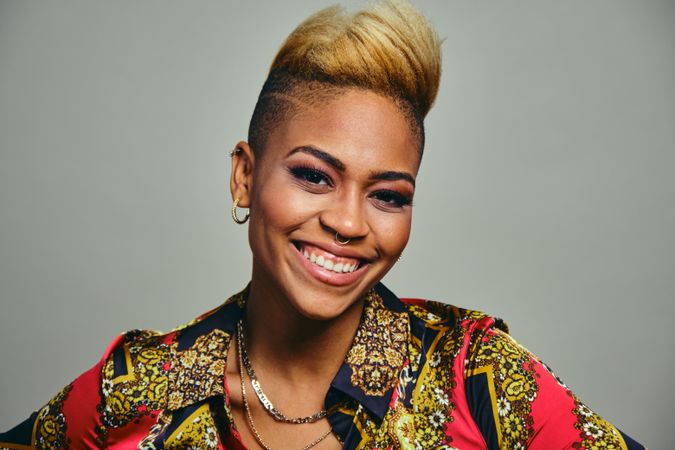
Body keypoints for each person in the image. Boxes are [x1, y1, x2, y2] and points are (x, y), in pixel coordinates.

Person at [0, 1, 645, 449]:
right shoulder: (144, 384)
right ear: (245, 177)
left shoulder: (474, 376)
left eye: (388, 195)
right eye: (313, 175)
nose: (347, 221)